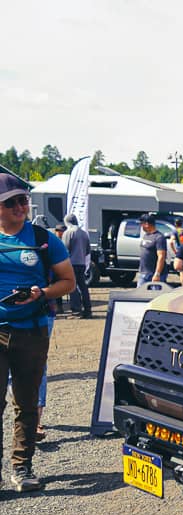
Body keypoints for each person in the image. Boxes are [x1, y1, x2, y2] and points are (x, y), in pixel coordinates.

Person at [0, 173, 75, 492]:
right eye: (11, 202)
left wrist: (41, 293)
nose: (20, 206)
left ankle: (22, 467)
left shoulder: (45, 239)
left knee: (27, 403)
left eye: (23, 200)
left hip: (32, 331)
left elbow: (68, 282)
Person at [60, 213, 92, 318]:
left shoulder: (68, 232)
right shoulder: (84, 233)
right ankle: (88, 310)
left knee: (72, 287)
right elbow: (88, 250)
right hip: (81, 263)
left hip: (71, 263)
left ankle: (76, 311)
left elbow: (64, 250)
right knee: (83, 286)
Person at [137, 214, 167, 286]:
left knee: (155, 296)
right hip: (143, 273)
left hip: (154, 274)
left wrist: (157, 273)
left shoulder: (159, 237)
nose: (141, 226)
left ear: (147, 224)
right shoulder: (146, 235)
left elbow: (161, 256)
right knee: (139, 295)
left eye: (142, 224)